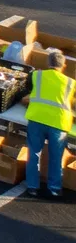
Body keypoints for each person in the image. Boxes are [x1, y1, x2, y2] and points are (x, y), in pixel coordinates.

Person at [24, 49, 72, 199]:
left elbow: (27, 89)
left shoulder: (36, 76)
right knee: (56, 157)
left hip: (37, 119)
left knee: (33, 154)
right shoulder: (71, 83)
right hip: (59, 123)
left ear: (48, 63)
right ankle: (54, 188)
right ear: (63, 65)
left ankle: (32, 187)